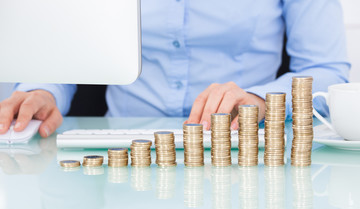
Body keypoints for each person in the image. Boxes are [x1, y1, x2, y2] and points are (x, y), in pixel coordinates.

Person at [0, 0, 350, 138]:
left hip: (245, 153)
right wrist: (42, 91)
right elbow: (72, 43)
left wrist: (260, 100)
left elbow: (327, 69)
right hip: (121, 154)